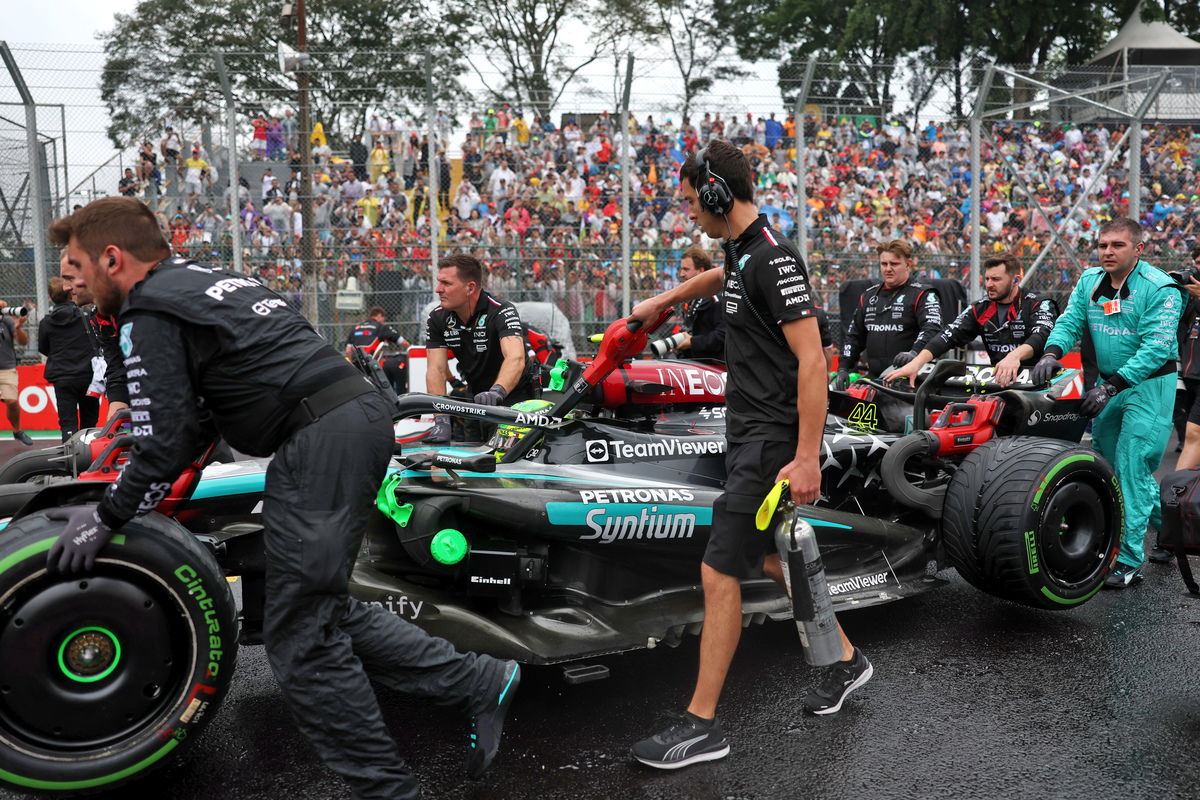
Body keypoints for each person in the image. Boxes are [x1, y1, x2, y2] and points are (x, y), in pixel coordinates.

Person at [46, 198, 519, 800]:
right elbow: (192, 424)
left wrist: (106, 515)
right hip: (342, 424)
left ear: (113, 259)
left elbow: (164, 440)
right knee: (319, 606)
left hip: (322, 435)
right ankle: (481, 679)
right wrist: (150, 499)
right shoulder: (204, 276)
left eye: (78, 265)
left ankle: (388, 792)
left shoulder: (149, 308)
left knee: (302, 640)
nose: (74, 280)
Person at [626, 140, 871, 769]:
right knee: (765, 559)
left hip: (770, 440)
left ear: (716, 194)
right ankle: (846, 660)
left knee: (718, 571)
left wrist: (809, 456)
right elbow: (724, 277)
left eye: (690, 202)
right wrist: (664, 301)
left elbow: (815, 361)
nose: (688, 214)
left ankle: (702, 726)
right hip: (746, 430)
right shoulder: (741, 252)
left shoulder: (775, 258)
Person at [1030, 217, 1184, 589]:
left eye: (1117, 245)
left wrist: (1110, 387)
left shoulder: (1162, 289)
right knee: (1109, 467)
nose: (1107, 252)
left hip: (1148, 387)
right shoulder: (1089, 280)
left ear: (1139, 249)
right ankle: (1176, 530)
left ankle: (1129, 561)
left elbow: (1155, 349)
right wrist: (1052, 352)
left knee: (1132, 467)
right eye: (1102, 245)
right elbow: (1069, 322)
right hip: (1109, 385)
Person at [886, 252, 1058, 387]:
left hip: (1038, 382)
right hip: (999, 382)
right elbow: (948, 335)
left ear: (1015, 280)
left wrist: (1014, 356)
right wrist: (916, 363)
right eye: (987, 278)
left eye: (996, 279)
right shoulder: (980, 307)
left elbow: (1042, 334)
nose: (989, 284)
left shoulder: (1038, 303)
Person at [424, 254, 532, 443]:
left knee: (505, 463)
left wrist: (497, 392)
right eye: (438, 282)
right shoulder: (437, 318)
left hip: (515, 396)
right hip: (474, 394)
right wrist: (441, 419)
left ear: (470, 287)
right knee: (468, 455)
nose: (438, 289)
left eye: (446, 283)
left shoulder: (501, 310)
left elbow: (515, 358)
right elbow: (436, 369)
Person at [834, 239, 941, 386]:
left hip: (910, 381)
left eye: (894, 264)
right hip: (875, 380)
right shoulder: (868, 296)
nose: (888, 269)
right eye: (884, 264)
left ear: (908, 265)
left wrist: (914, 354)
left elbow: (932, 328)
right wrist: (843, 368)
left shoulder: (923, 294)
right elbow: (854, 337)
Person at [58, 248, 130, 422]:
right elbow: (117, 368)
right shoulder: (98, 316)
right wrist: (116, 419)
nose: (65, 287)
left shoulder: (135, 302)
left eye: (70, 278)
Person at [37, 278, 96, 440]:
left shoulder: (46, 322)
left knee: (67, 423)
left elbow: (43, 348)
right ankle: (91, 459)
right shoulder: (86, 315)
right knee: (90, 422)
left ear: (50, 297)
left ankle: (71, 461)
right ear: (72, 295)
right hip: (88, 374)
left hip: (62, 376)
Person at [674, 245, 726, 361]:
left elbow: (724, 336)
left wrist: (692, 342)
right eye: (681, 269)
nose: (681, 274)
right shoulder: (691, 298)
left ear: (701, 271)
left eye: (686, 269)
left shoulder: (716, 299)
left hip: (713, 369)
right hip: (693, 365)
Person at [0, 295, 32, 445]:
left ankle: (17, 430)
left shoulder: (5, 320)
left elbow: (23, 342)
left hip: (7, 368)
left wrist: (18, 327)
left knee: (12, 402)